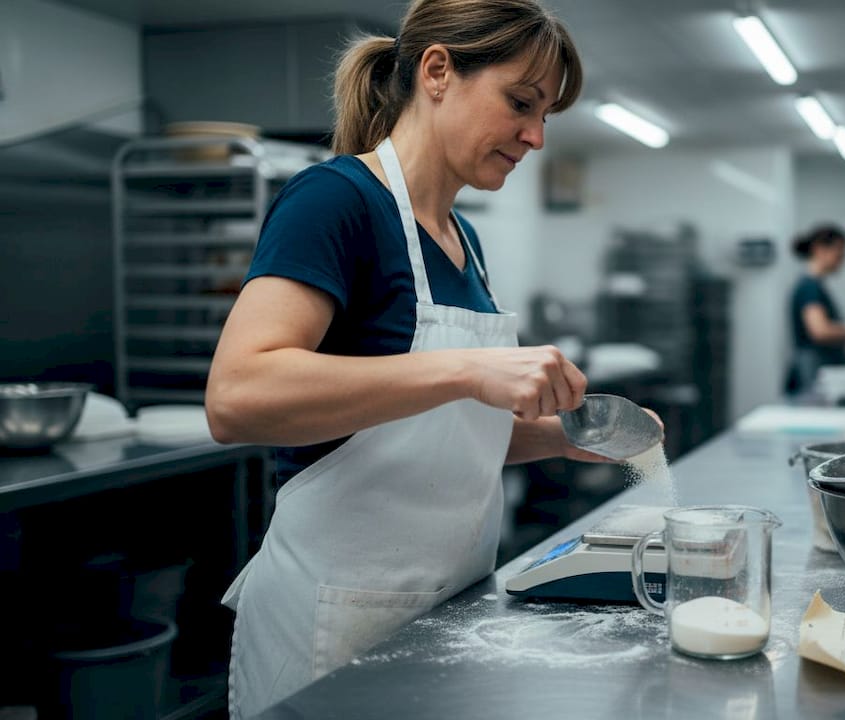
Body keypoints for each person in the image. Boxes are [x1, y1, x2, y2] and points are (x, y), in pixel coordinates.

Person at [204, 1, 608, 715]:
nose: (536, 137)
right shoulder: (335, 201)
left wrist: (566, 437)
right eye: (521, 103)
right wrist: (470, 369)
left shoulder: (463, 242)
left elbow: (434, 432)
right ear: (438, 71)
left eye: (545, 115)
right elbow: (238, 396)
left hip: (446, 607)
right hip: (334, 625)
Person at [784, 224, 845, 394]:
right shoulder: (809, 287)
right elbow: (820, 331)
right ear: (819, 249)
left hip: (818, 367)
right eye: (839, 254)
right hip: (813, 370)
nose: (843, 260)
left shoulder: (814, 286)